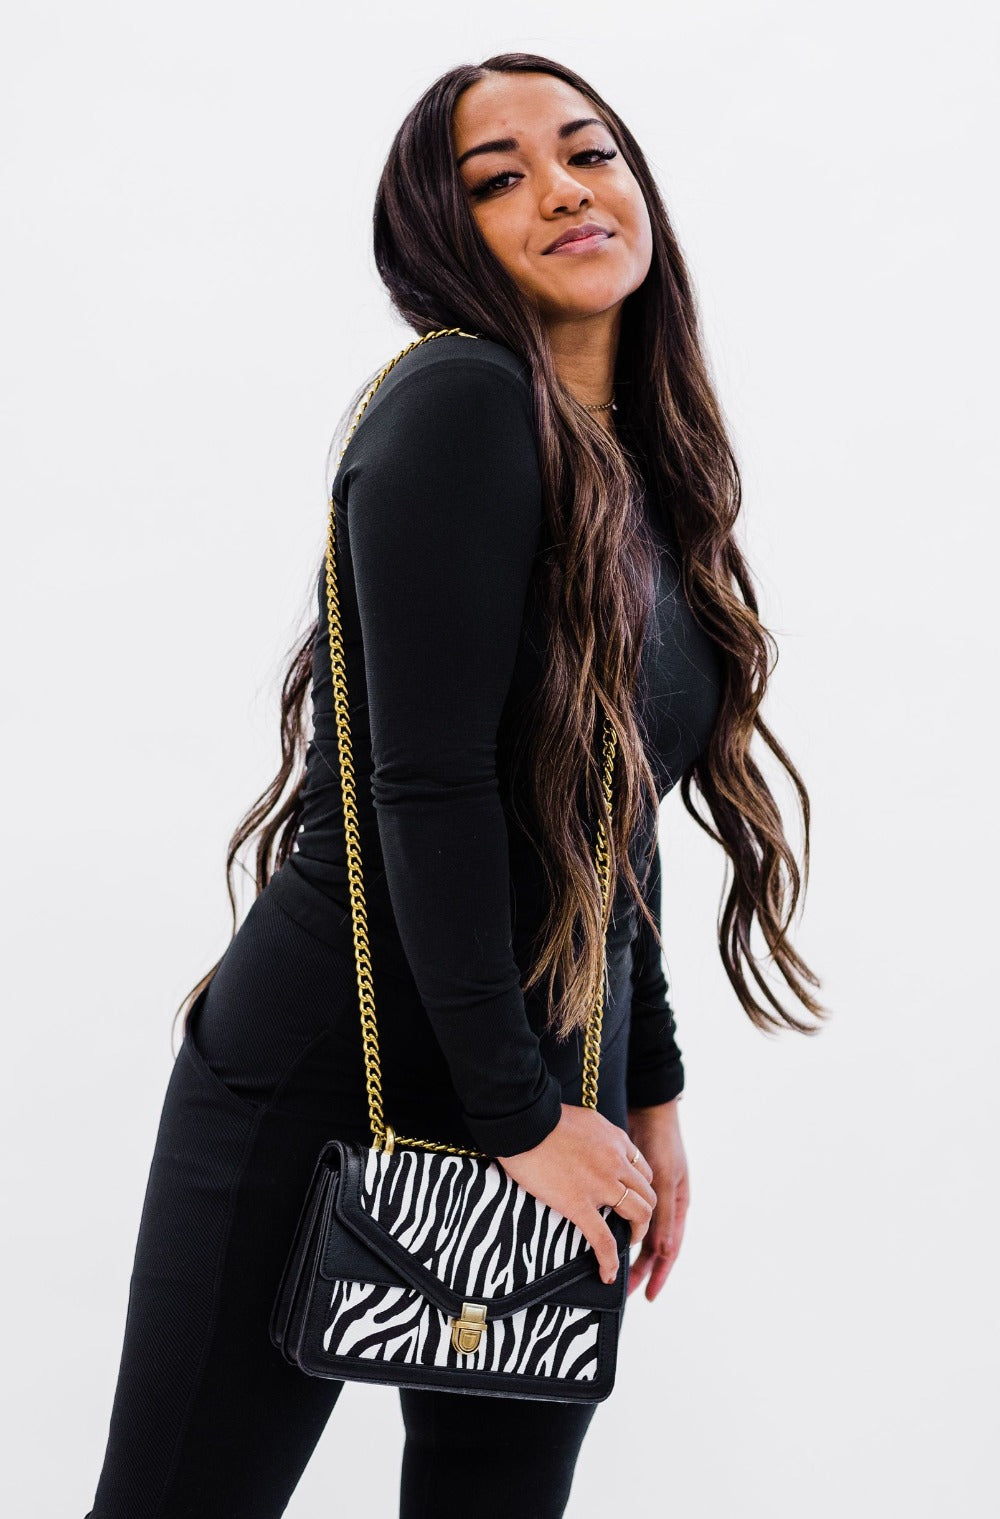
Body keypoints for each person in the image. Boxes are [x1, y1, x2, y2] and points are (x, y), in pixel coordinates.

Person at [83, 51, 824, 1519]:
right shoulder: (463, 403)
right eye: (498, 179)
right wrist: (519, 1112)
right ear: (440, 235)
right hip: (329, 1073)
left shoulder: (636, 469)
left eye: (588, 153)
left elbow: (611, 824)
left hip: (541, 1074)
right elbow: (423, 789)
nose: (562, 191)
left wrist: (647, 1083)